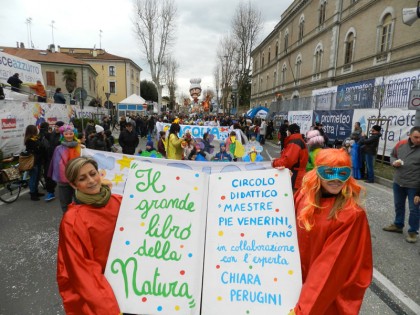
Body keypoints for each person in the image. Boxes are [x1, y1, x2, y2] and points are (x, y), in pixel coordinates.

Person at [289, 148, 372, 315]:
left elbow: (329, 268)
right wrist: (278, 182)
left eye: (342, 173)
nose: (335, 179)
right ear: (317, 173)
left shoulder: (350, 215)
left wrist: (304, 310)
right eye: (328, 172)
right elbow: (280, 224)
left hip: (324, 296)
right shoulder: (304, 197)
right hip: (296, 285)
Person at [57, 156, 122, 314]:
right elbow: (82, 271)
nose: (91, 180)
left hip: (132, 284)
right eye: (82, 178)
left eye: (93, 174)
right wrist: (109, 308)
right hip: (105, 293)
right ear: (73, 185)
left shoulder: (120, 201)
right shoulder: (72, 221)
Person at [383, 126, 420, 243]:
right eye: (416, 137)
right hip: (398, 182)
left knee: (414, 209)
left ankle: (413, 232)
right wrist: (394, 162)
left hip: (414, 185)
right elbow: (392, 154)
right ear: (409, 135)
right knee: (398, 205)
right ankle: (398, 225)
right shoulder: (401, 144)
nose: (419, 140)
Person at [48, 124, 82, 212]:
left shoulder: (79, 147)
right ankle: (67, 222)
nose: (69, 136)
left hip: (79, 180)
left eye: (71, 133)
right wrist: (69, 180)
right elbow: (58, 166)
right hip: (64, 181)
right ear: (63, 135)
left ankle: (79, 222)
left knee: (80, 203)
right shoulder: (59, 149)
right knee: (66, 204)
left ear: (74, 134)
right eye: (66, 134)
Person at [272, 123, 308, 192]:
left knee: (292, 200)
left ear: (289, 132)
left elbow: (288, 161)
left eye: (287, 131)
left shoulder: (294, 143)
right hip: (298, 176)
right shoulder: (299, 141)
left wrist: (274, 163)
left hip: (295, 177)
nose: (286, 132)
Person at [24, 125, 45, 201]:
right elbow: (37, 149)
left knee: (37, 177)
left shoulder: (35, 139)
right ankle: (32, 193)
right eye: (35, 130)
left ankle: (36, 191)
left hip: (38, 161)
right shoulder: (29, 140)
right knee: (33, 178)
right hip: (33, 162)